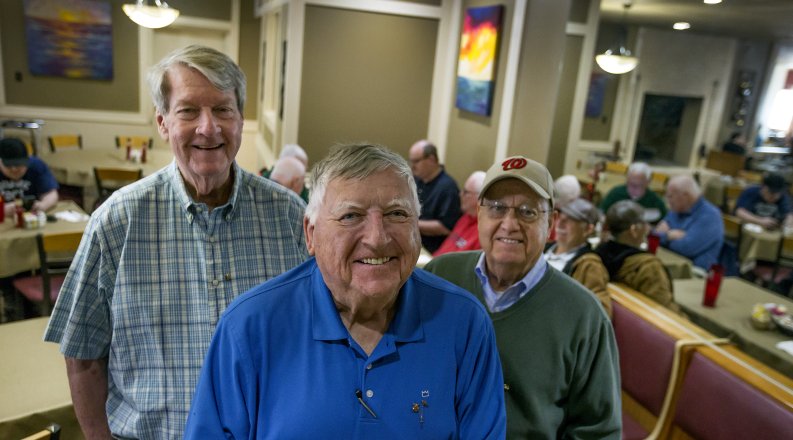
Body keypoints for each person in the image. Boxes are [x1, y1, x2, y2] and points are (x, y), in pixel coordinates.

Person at [43, 45, 309, 439]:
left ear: (239, 120)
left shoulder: (290, 216)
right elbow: (83, 356)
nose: (209, 127)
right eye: (188, 111)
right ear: (163, 122)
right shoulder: (116, 222)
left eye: (223, 109)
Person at [184, 143, 506, 438]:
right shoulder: (249, 328)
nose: (377, 238)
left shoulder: (465, 325)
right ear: (311, 235)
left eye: (397, 214)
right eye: (351, 216)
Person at [424, 155, 621, 438]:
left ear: (551, 224)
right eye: (496, 208)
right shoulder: (440, 277)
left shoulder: (584, 316)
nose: (509, 224)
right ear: (478, 214)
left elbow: (598, 431)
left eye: (527, 212)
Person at [597, 200, 677, 309]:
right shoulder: (648, 267)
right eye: (644, 223)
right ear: (633, 230)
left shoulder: (597, 255)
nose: (647, 228)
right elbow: (665, 310)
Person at [543, 197, 611, 316]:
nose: (561, 223)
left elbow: (601, 313)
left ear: (588, 229)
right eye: (561, 216)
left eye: (571, 219)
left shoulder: (589, 266)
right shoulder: (542, 248)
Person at [655, 174, 723, 270]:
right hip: (668, 264)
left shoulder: (710, 216)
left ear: (685, 196)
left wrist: (664, 237)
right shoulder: (677, 210)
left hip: (694, 273)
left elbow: (686, 248)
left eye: (670, 196)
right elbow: (654, 236)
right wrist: (669, 236)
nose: (668, 201)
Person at [408, 139, 461, 253]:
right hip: (413, 240)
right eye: (411, 161)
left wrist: (410, 222)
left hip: (431, 248)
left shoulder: (448, 187)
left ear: (431, 159)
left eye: (416, 161)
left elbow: (445, 227)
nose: (412, 166)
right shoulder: (417, 179)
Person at [0, 137, 59, 218]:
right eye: (8, 165)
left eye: (18, 164)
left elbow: (51, 194)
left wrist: (43, 205)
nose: (14, 169)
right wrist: (2, 210)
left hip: (31, 216)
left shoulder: (36, 166)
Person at [432, 170, 486, 256]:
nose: (460, 195)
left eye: (466, 192)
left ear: (479, 198)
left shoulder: (484, 232)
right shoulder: (465, 218)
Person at [599, 161, 667, 223]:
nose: (632, 188)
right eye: (630, 184)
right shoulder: (616, 193)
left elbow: (665, 221)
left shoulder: (654, 200)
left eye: (638, 185)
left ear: (647, 182)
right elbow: (601, 212)